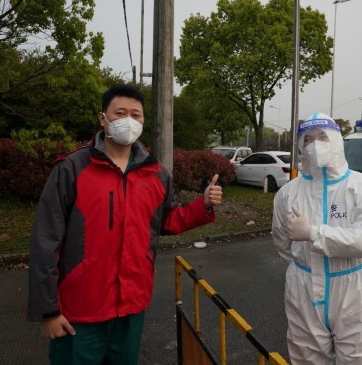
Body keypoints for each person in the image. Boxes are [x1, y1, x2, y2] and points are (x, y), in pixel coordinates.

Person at [27, 84, 223, 364]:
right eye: (119, 113)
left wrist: (202, 205)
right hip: (78, 312)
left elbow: (167, 219)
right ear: (102, 118)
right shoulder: (71, 169)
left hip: (131, 308)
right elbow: (45, 241)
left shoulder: (155, 173)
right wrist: (48, 311)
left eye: (136, 114)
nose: (128, 120)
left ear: (142, 121)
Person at [272, 113, 362, 364]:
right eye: (308, 139)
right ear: (300, 146)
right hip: (302, 288)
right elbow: (281, 241)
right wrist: (304, 263)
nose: (315, 145)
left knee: (361, 359)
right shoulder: (287, 194)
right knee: (306, 359)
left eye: (323, 137)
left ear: (336, 141)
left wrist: (313, 234)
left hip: (354, 290)